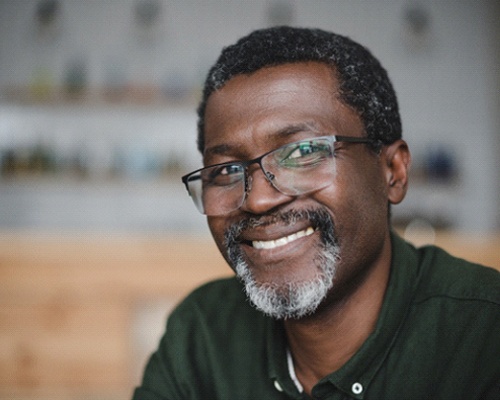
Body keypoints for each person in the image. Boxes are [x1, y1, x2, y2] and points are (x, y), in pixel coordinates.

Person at [133, 26, 500, 399]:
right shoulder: (202, 335)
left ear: (393, 171)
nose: (258, 201)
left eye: (303, 153)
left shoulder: (485, 334)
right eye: (227, 171)